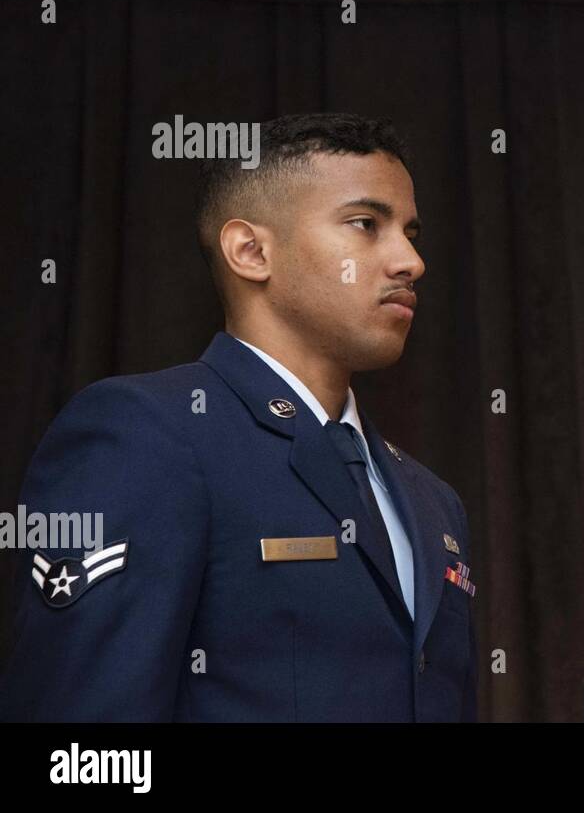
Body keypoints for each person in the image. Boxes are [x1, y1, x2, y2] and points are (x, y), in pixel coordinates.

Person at [1, 113, 476, 721]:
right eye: (366, 225)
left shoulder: (433, 500)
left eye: (411, 232)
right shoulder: (147, 434)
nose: (411, 261)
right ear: (251, 251)